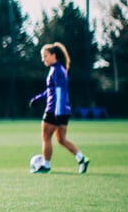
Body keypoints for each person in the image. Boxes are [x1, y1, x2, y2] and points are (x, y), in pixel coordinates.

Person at [28, 42, 90, 174]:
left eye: (45, 56)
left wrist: (58, 111)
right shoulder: (58, 69)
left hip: (54, 110)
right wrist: (37, 99)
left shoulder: (57, 70)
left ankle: (46, 165)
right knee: (61, 139)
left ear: (53, 55)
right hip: (63, 111)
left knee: (46, 137)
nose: (43, 59)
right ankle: (81, 158)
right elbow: (51, 90)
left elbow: (60, 91)